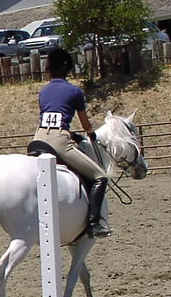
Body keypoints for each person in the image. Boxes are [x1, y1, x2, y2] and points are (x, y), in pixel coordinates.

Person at [33, 48, 112, 239]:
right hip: (59, 141)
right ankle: (94, 223)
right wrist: (90, 134)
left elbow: (51, 117)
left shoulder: (43, 92)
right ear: (67, 69)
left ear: (49, 69)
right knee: (100, 177)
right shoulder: (75, 91)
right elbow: (85, 124)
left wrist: (71, 134)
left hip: (37, 139)